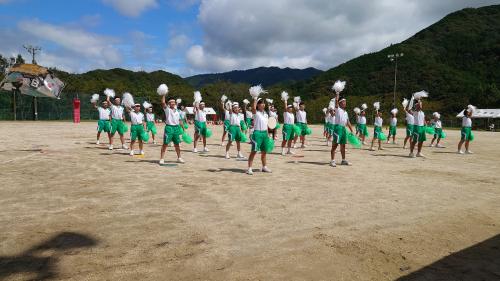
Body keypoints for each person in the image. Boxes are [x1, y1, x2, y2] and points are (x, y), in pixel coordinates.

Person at [247, 98, 273, 175]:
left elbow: (267, 125)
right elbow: (253, 108)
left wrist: (268, 135)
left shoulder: (266, 114)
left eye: (264, 103)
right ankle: (249, 168)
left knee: (264, 151)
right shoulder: (256, 113)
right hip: (257, 133)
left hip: (265, 133)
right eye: (261, 103)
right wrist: (255, 98)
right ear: (258, 105)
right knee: (254, 151)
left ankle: (264, 167)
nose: (263, 104)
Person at [330, 94, 354, 167]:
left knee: (343, 145)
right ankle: (332, 161)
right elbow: (336, 104)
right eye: (343, 101)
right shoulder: (337, 109)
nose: (345, 103)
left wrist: (352, 130)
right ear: (340, 103)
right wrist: (337, 96)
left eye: (345, 102)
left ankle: (343, 160)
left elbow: (348, 122)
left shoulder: (345, 112)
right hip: (337, 128)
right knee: (335, 145)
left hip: (343, 129)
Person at [159, 96, 185, 164]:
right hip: (169, 128)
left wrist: (183, 128)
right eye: (171, 102)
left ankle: (179, 158)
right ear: (169, 103)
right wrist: (164, 94)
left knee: (177, 144)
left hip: (176, 128)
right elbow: (163, 102)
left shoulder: (177, 111)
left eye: (174, 102)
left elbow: (180, 120)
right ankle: (162, 159)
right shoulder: (167, 109)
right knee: (165, 144)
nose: (173, 103)